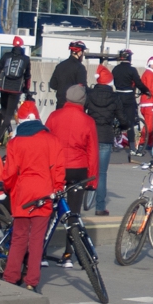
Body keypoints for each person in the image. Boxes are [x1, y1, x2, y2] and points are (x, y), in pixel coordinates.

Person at [0, 101, 65, 293]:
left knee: (19, 237)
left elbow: (10, 172)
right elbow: (58, 169)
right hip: (44, 192)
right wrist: (57, 187)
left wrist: (7, 188)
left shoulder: (15, 142)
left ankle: (11, 276)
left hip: (22, 193)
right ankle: (32, 281)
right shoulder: (52, 140)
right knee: (37, 239)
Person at [46, 84, 100, 265]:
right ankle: (69, 255)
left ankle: (40, 252)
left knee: (49, 211)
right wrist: (93, 180)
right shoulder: (88, 121)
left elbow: (45, 142)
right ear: (83, 101)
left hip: (57, 168)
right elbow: (92, 152)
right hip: (79, 169)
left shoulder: (54, 117)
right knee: (74, 214)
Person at [85, 66, 122, 215]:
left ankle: (77, 201)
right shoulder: (114, 97)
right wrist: (124, 125)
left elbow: (83, 110)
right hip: (106, 135)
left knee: (87, 169)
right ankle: (100, 207)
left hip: (90, 135)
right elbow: (121, 117)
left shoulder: (90, 94)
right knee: (102, 173)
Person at [0, 36, 32, 142]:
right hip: (16, 89)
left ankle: (6, 133)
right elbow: (27, 76)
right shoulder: (26, 59)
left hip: (4, 87)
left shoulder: (6, 56)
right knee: (9, 114)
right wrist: (26, 88)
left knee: (4, 111)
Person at [110, 48, 142, 148]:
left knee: (116, 119)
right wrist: (145, 91)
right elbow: (138, 83)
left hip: (118, 95)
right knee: (130, 122)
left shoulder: (115, 69)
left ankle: (114, 140)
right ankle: (132, 146)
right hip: (128, 97)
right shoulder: (132, 70)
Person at [50, 40, 88, 109]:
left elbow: (52, 85)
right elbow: (83, 88)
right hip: (74, 106)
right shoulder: (80, 68)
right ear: (79, 53)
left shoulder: (60, 66)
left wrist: (62, 88)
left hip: (60, 105)